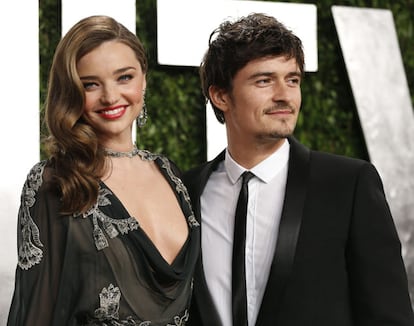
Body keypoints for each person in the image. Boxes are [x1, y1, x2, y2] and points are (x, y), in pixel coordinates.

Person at [182, 13, 414, 326]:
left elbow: (390, 317)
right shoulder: (186, 191)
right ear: (221, 95)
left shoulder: (348, 185)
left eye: (292, 79)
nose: (285, 95)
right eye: (264, 80)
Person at [7, 15, 199, 326]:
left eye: (124, 77)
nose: (110, 96)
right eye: (91, 84)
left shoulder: (169, 173)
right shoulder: (54, 181)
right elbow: (37, 311)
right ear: (70, 92)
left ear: (144, 79)